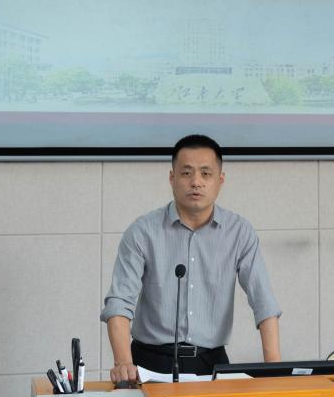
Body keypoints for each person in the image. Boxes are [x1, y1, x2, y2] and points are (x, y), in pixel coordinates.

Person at [100, 134, 282, 383]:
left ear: (220, 180)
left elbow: (263, 303)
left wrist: (275, 370)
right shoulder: (143, 231)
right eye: (186, 173)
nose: (196, 182)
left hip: (211, 362)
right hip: (150, 361)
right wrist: (123, 363)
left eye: (206, 174)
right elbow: (119, 302)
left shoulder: (239, 232)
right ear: (172, 178)